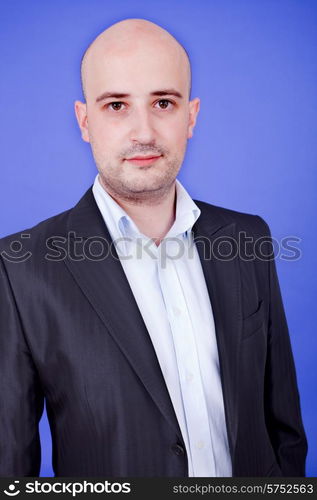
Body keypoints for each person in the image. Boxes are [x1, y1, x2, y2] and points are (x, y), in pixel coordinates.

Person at [0, 18, 307, 477]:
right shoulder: (20, 268)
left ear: (191, 116)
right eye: (117, 105)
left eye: (163, 102)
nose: (143, 132)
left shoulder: (248, 240)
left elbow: (284, 430)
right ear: (86, 121)